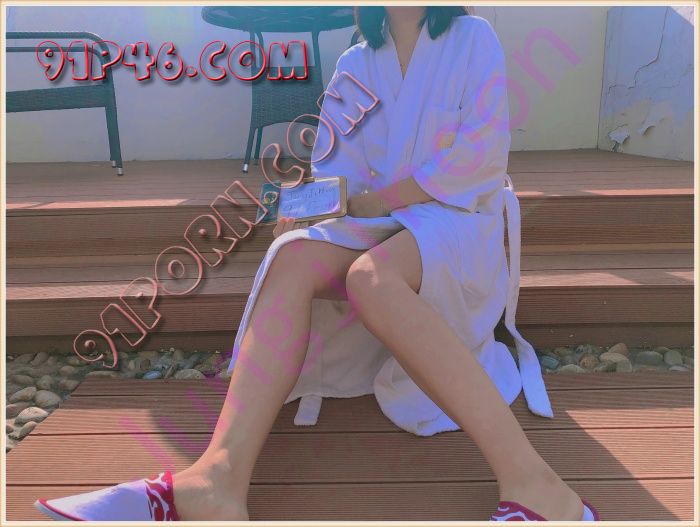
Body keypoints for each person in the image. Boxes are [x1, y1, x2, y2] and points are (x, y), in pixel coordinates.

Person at [34, 6, 600, 522]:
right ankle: (216, 482)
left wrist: (377, 201)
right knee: (294, 256)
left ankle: (539, 486)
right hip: (383, 221)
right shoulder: (357, 62)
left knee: (371, 279)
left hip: (457, 218)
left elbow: (480, 156)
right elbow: (337, 166)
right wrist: (308, 208)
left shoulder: (473, 37)